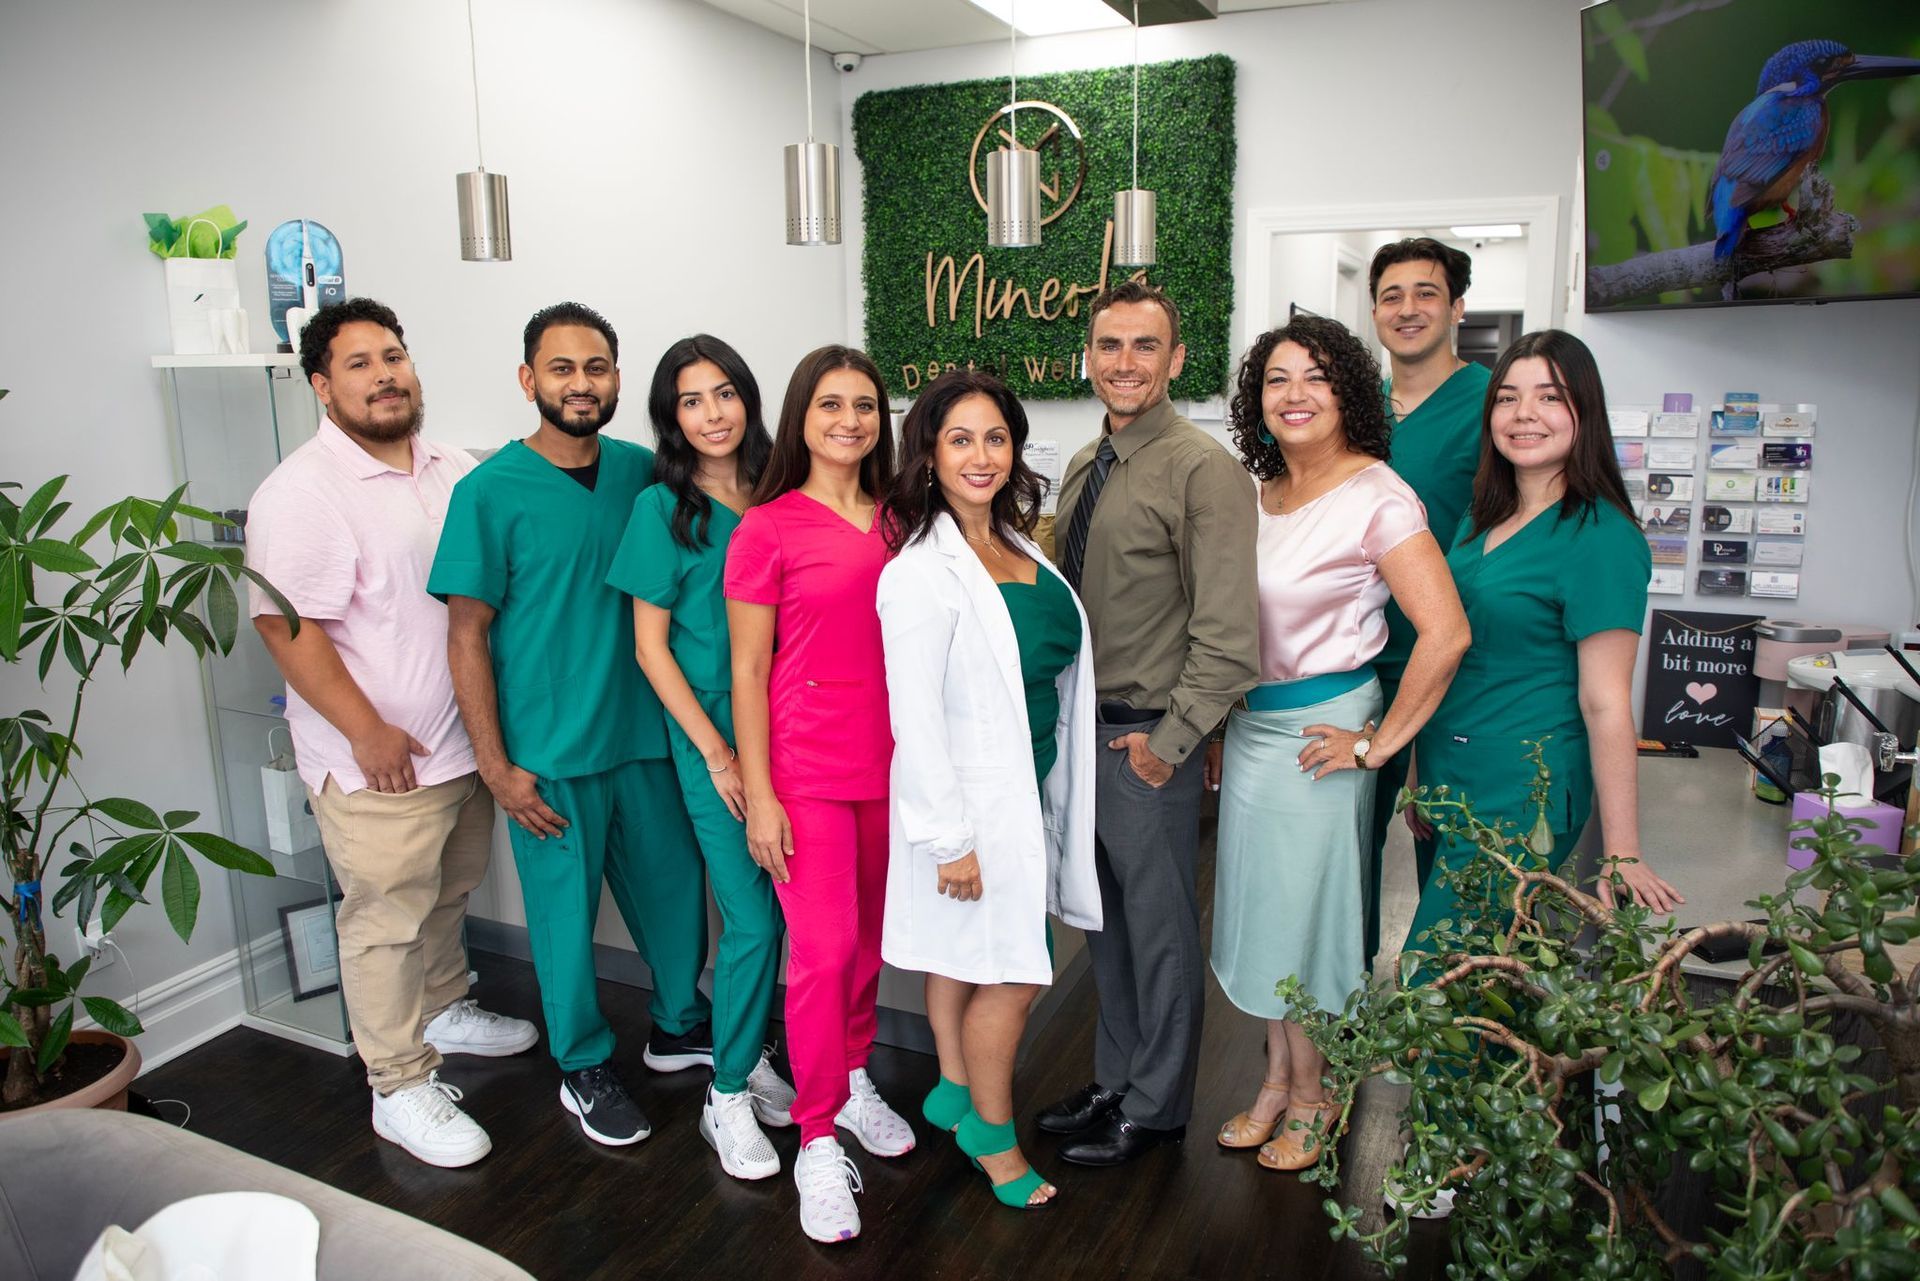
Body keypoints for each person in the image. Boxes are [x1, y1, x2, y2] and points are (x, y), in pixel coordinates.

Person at [1396, 330, 1685, 1217]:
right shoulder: (1482, 520)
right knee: (1486, 973)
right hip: (1452, 777)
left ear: (1584, 414)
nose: (1525, 414)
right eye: (1510, 396)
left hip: (1523, 788)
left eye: (1550, 396)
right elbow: (1447, 657)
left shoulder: (1600, 536)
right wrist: (1415, 770)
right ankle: (1491, 1145)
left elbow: (1607, 703)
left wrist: (1623, 853)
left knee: (1436, 973)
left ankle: (1449, 1162)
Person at [247, 298, 537, 1169]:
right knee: (385, 919)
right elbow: (285, 625)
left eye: (394, 356)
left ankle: (445, 1007)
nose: (385, 375)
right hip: (379, 761)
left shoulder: (450, 465)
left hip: (459, 745)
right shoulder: (300, 492)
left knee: (447, 894)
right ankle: (398, 1083)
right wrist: (367, 729)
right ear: (322, 386)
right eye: (360, 363)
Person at [430, 303, 713, 1149]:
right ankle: (583, 1064)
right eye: (562, 368)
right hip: (550, 753)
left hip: (648, 736)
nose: (581, 384)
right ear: (529, 380)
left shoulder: (648, 474)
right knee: (562, 923)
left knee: (675, 902)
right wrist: (495, 764)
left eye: (596, 367)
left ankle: (676, 1025)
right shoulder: (487, 492)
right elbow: (466, 632)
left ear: (618, 380)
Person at [1202, 317, 1469, 1173]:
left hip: (1322, 732)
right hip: (1252, 727)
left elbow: (1446, 632)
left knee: (1310, 924)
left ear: (1349, 389)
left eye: (1315, 376)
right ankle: (1279, 1079)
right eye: (1277, 379)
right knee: (1264, 916)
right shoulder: (1258, 490)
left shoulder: (1379, 496)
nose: (1295, 394)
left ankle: (1318, 1096)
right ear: (1258, 401)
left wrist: (1377, 744)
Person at [1038, 281, 1260, 1167]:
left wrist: (1171, 749)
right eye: (1108, 346)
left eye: (1143, 347)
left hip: (1144, 739)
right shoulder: (1088, 462)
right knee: (1107, 927)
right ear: (1088, 357)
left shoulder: (1204, 471)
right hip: (1080, 735)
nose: (1123, 362)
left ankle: (1159, 1105)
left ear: (1174, 361)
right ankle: (1116, 1079)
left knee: (1161, 933)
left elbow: (1229, 637)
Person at [875, 371, 1101, 1209]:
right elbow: (916, 718)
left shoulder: (1017, 542)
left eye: (996, 437)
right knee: (1014, 972)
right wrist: (949, 837)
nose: (981, 455)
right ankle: (994, 1141)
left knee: (964, 955)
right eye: (960, 439)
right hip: (973, 805)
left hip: (1028, 783)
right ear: (929, 454)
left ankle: (952, 1086)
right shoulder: (919, 572)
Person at [725, 345, 913, 1243]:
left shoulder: (905, 519)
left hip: (897, 770)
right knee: (824, 951)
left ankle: (852, 1073)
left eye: (866, 405)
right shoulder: (767, 527)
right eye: (831, 404)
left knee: (872, 945)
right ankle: (812, 1136)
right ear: (801, 417)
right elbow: (748, 668)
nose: (850, 420)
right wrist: (760, 794)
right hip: (806, 772)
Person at [606, 335, 797, 1181]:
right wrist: (717, 752)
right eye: (691, 400)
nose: (712, 413)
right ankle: (725, 1095)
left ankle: (746, 1045)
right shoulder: (661, 511)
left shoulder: (783, 489)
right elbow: (651, 649)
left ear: (748, 398)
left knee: (795, 913)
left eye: (724, 393)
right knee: (753, 916)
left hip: (796, 724)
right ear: (670, 417)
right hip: (713, 737)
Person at [1362, 237, 1490, 972]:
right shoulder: (1356, 406)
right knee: (1350, 841)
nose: (1407, 309)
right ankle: (1339, 1016)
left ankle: (1451, 1026)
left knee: (1445, 837)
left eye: (1426, 293)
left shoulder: (1491, 406)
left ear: (1457, 308)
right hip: (1363, 660)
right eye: (1392, 295)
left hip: (1452, 659)